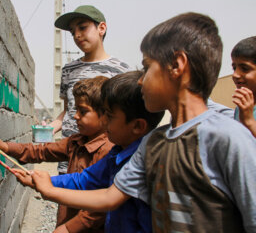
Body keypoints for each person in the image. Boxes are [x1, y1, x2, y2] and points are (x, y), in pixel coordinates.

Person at [20, 12, 256, 232]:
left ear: (176, 65)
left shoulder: (229, 138)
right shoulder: (154, 142)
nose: (141, 81)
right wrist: (49, 188)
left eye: (146, 68)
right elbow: (109, 197)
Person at [14, 71, 165, 233]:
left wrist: (50, 191)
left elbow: (106, 201)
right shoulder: (116, 153)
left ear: (137, 126)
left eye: (110, 116)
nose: (104, 120)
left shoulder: (143, 161)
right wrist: (44, 181)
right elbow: (83, 180)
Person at [0, 76, 113, 233]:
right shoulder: (76, 141)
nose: (75, 116)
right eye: (76, 110)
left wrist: (67, 228)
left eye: (83, 111)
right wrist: (5, 146)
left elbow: (99, 209)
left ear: (106, 116)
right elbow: (41, 151)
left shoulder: (109, 151)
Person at [49, 5, 130, 174]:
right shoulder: (68, 70)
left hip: (102, 160)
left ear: (101, 28)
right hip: (69, 156)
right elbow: (68, 111)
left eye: (83, 27)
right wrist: (49, 128)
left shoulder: (121, 70)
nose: (77, 35)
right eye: (72, 32)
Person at [231, 36, 256, 137]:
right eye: (234, 68)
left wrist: (249, 121)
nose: (235, 75)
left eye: (245, 69)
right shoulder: (241, 107)